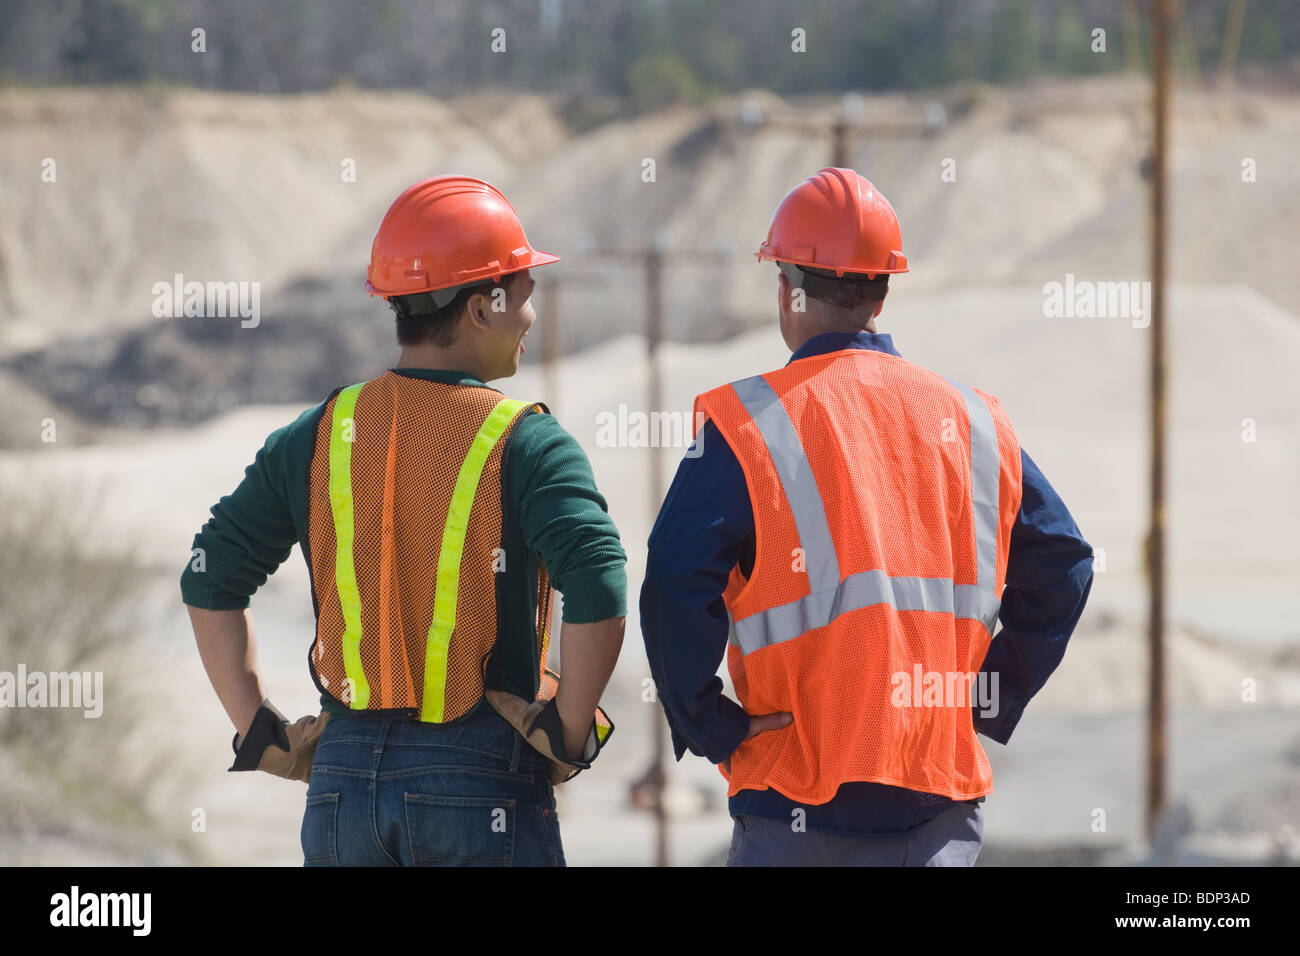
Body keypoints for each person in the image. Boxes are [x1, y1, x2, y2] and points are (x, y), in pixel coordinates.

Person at [640, 167, 1093, 866]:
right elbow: (1064, 562)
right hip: (936, 810)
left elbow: (674, 577)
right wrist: (988, 697)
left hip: (790, 800)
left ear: (787, 290)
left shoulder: (744, 424)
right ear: (882, 291)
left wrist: (709, 722)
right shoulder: (972, 422)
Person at [182, 175, 626, 866]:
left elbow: (209, 577)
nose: (531, 316)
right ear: (482, 307)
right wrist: (571, 733)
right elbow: (599, 584)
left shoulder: (319, 434)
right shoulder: (527, 442)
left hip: (342, 790)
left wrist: (259, 733)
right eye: (525, 295)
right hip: (480, 783)